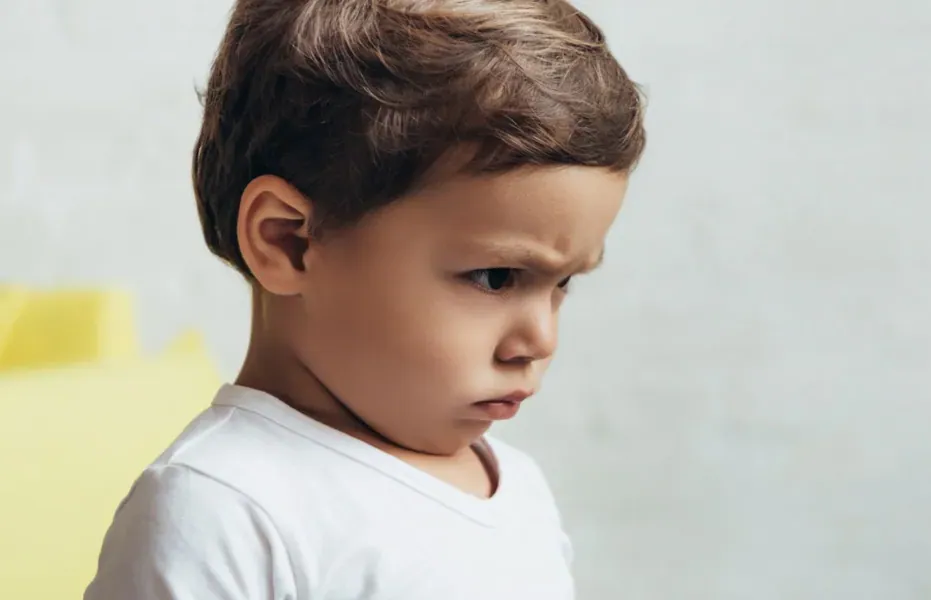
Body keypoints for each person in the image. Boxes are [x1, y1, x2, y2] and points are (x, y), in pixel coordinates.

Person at [84, 0, 645, 598]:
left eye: (563, 284)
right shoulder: (223, 509)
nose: (540, 341)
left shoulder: (519, 488)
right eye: (496, 278)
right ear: (290, 242)